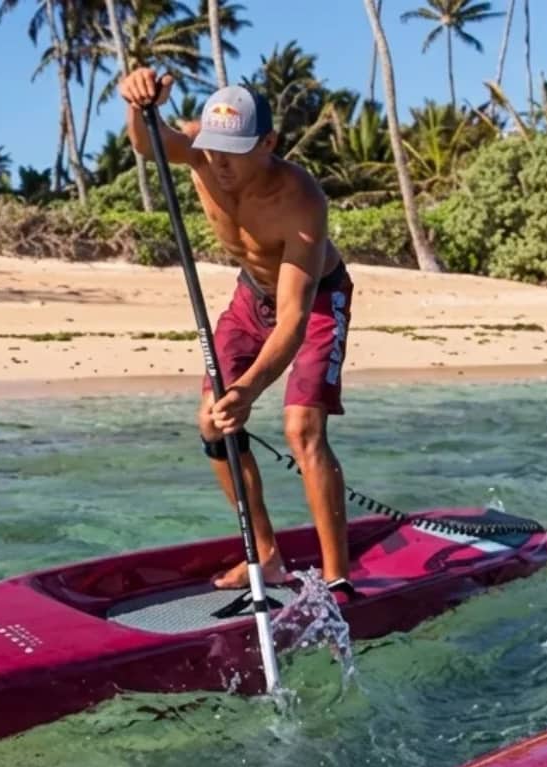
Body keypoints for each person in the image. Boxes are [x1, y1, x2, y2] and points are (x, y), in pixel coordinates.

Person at [117, 69, 357, 602]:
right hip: (251, 297)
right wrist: (137, 102)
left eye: (235, 151)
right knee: (211, 420)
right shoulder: (201, 155)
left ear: (268, 143)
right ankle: (267, 557)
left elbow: (294, 319)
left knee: (302, 430)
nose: (218, 163)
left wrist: (248, 390)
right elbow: (144, 141)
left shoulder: (301, 201)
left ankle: (338, 580)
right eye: (211, 147)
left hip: (316, 298)